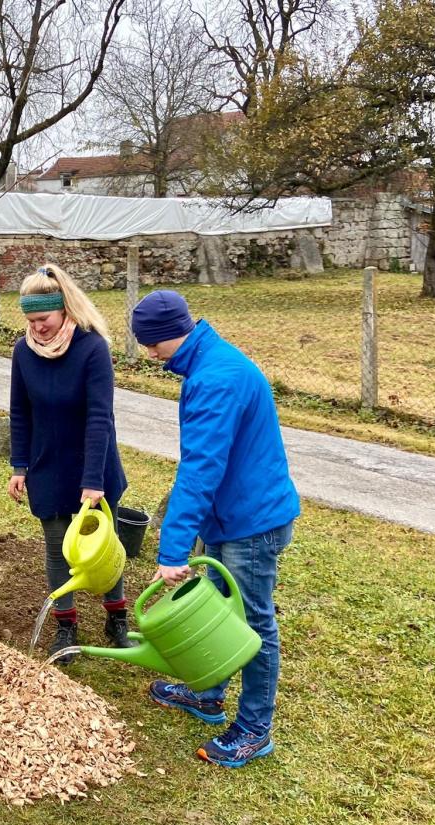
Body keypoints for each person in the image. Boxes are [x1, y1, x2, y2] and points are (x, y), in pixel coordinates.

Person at [130, 289, 299, 768]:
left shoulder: (217, 379)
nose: (149, 353)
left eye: (150, 344)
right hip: (234, 516)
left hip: (250, 522)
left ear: (169, 335)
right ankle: (207, 693)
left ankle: (254, 729)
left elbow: (200, 469)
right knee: (221, 612)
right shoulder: (210, 363)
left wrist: (173, 549)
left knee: (252, 623)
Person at [8, 264, 133, 663]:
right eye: (30, 320)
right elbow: (20, 412)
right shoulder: (23, 350)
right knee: (56, 548)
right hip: (48, 465)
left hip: (93, 464)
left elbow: (101, 416)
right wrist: (19, 466)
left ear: (63, 309)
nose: (37, 328)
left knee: (103, 546)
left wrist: (93, 480)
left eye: (43, 319)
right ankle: (66, 626)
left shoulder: (92, 348)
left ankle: (117, 619)